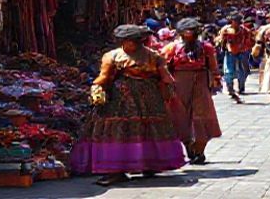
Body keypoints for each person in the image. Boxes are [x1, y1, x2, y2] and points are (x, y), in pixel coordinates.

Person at [70, 25, 186, 186]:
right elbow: (104, 77)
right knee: (122, 131)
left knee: (140, 130)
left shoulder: (153, 56)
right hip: (122, 100)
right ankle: (119, 169)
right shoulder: (115, 56)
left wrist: (169, 91)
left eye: (133, 41)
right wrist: (97, 89)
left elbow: (165, 77)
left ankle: (144, 165)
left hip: (143, 100)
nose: (131, 44)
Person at [163, 18, 222, 165]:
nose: (189, 34)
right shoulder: (171, 48)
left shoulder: (206, 48)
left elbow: (213, 67)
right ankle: (188, 147)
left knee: (202, 116)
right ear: (181, 33)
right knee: (180, 116)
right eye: (186, 31)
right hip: (179, 85)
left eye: (192, 31)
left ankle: (200, 150)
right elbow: (164, 68)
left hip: (200, 84)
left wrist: (215, 80)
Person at [216, 13, 252, 100]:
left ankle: (241, 87)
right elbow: (219, 40)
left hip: (242, 52)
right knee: (228, 71)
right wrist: (223, 41)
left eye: (238, 22)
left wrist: (245, 47)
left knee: (242, 71)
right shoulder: (225, 29)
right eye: (235, 21)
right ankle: (230, 88)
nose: (236, 23)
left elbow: (250, 41)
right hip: (229, 53)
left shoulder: (245, 30)